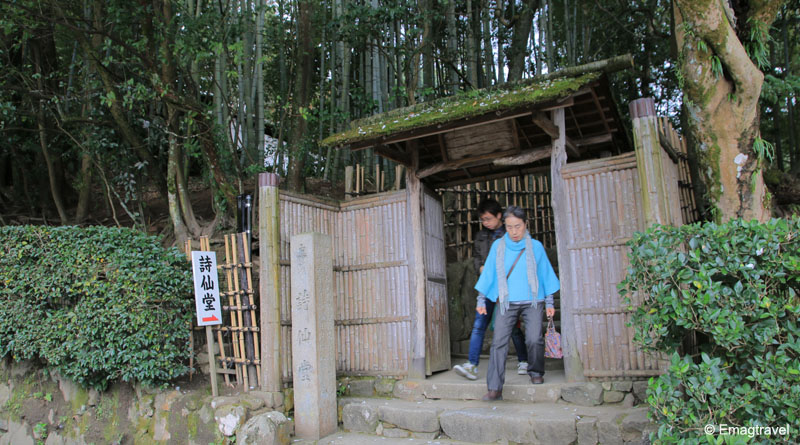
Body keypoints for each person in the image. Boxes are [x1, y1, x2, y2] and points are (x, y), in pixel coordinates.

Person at [474, 205, 560, 401]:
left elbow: (545, 275)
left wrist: (549, 303)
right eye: (509, 227)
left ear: (525, 224)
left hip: (533, 300)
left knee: (534, 339)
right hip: (506, 302)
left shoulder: (536, 247)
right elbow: (488, 274)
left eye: (518, 226)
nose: (514, 231)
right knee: (498, 342)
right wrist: (481, 299)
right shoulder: (498, 246)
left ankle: (536, 371)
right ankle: (494, 388)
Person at [453, 199, 529, 381]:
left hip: (508, 287)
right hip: (488, 286)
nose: (485, 222)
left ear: (499, 216)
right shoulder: (481, 236)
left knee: (513, 326)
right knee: (479, 325)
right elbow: (477, 258)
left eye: (488, 218)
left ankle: (524, 360)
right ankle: (472, 365)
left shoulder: (511, 234)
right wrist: (480, 268)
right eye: (483, 219)